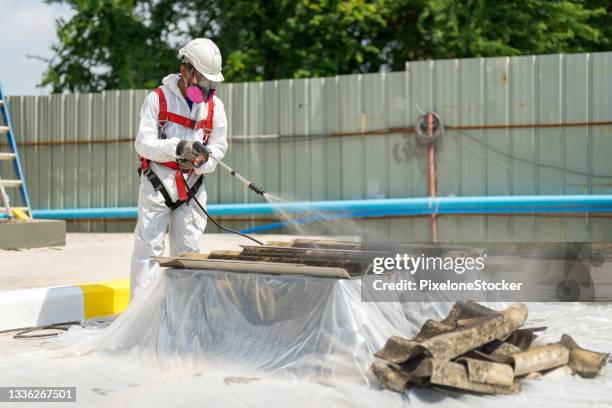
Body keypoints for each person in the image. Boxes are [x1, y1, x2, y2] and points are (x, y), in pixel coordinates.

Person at [130, 38, 228, 300]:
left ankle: (186, 317)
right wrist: (178, 147)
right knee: (149, 251)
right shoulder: (157, 100)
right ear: (185, 71)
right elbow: (144, 144)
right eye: (203, 82)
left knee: (189, 253)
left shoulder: (214, 107)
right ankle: (142, 320)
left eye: (212, 85)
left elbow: (219, 147)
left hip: (192, 188)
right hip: (157, 184)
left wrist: (203, 161)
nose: (207, 91)